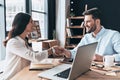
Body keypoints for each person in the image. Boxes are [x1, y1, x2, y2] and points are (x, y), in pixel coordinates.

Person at [0, 12, 55, 80]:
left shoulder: (24, 41)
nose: (34, 24)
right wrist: (52, 50)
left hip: (22, 76)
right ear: (23, 23)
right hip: (11, 78)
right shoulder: (13, 42)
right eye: (31, 22)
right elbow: (34, 57)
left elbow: (34, 55)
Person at [54, 7, 120, 62]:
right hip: (91, 71)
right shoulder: (86, 37)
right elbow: (76, 53)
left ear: (97, 22)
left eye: (88, 22)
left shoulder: (114, 35)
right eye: (84, 22)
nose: (85, 25)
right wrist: (64, 51)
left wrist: (103, 58)